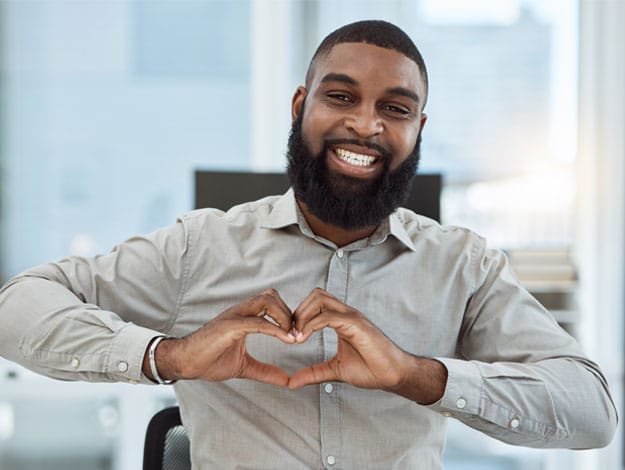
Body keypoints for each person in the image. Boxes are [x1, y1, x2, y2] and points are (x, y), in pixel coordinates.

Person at [0, 20, 617, 469]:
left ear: (418, 128)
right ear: (302, 105)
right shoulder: (201, 248)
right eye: (341, 96)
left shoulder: (465, 267)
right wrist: (171, 357)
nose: (366, 125)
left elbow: (592, 410)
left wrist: (415, 375)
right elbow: (18, 304)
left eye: (395, 109)